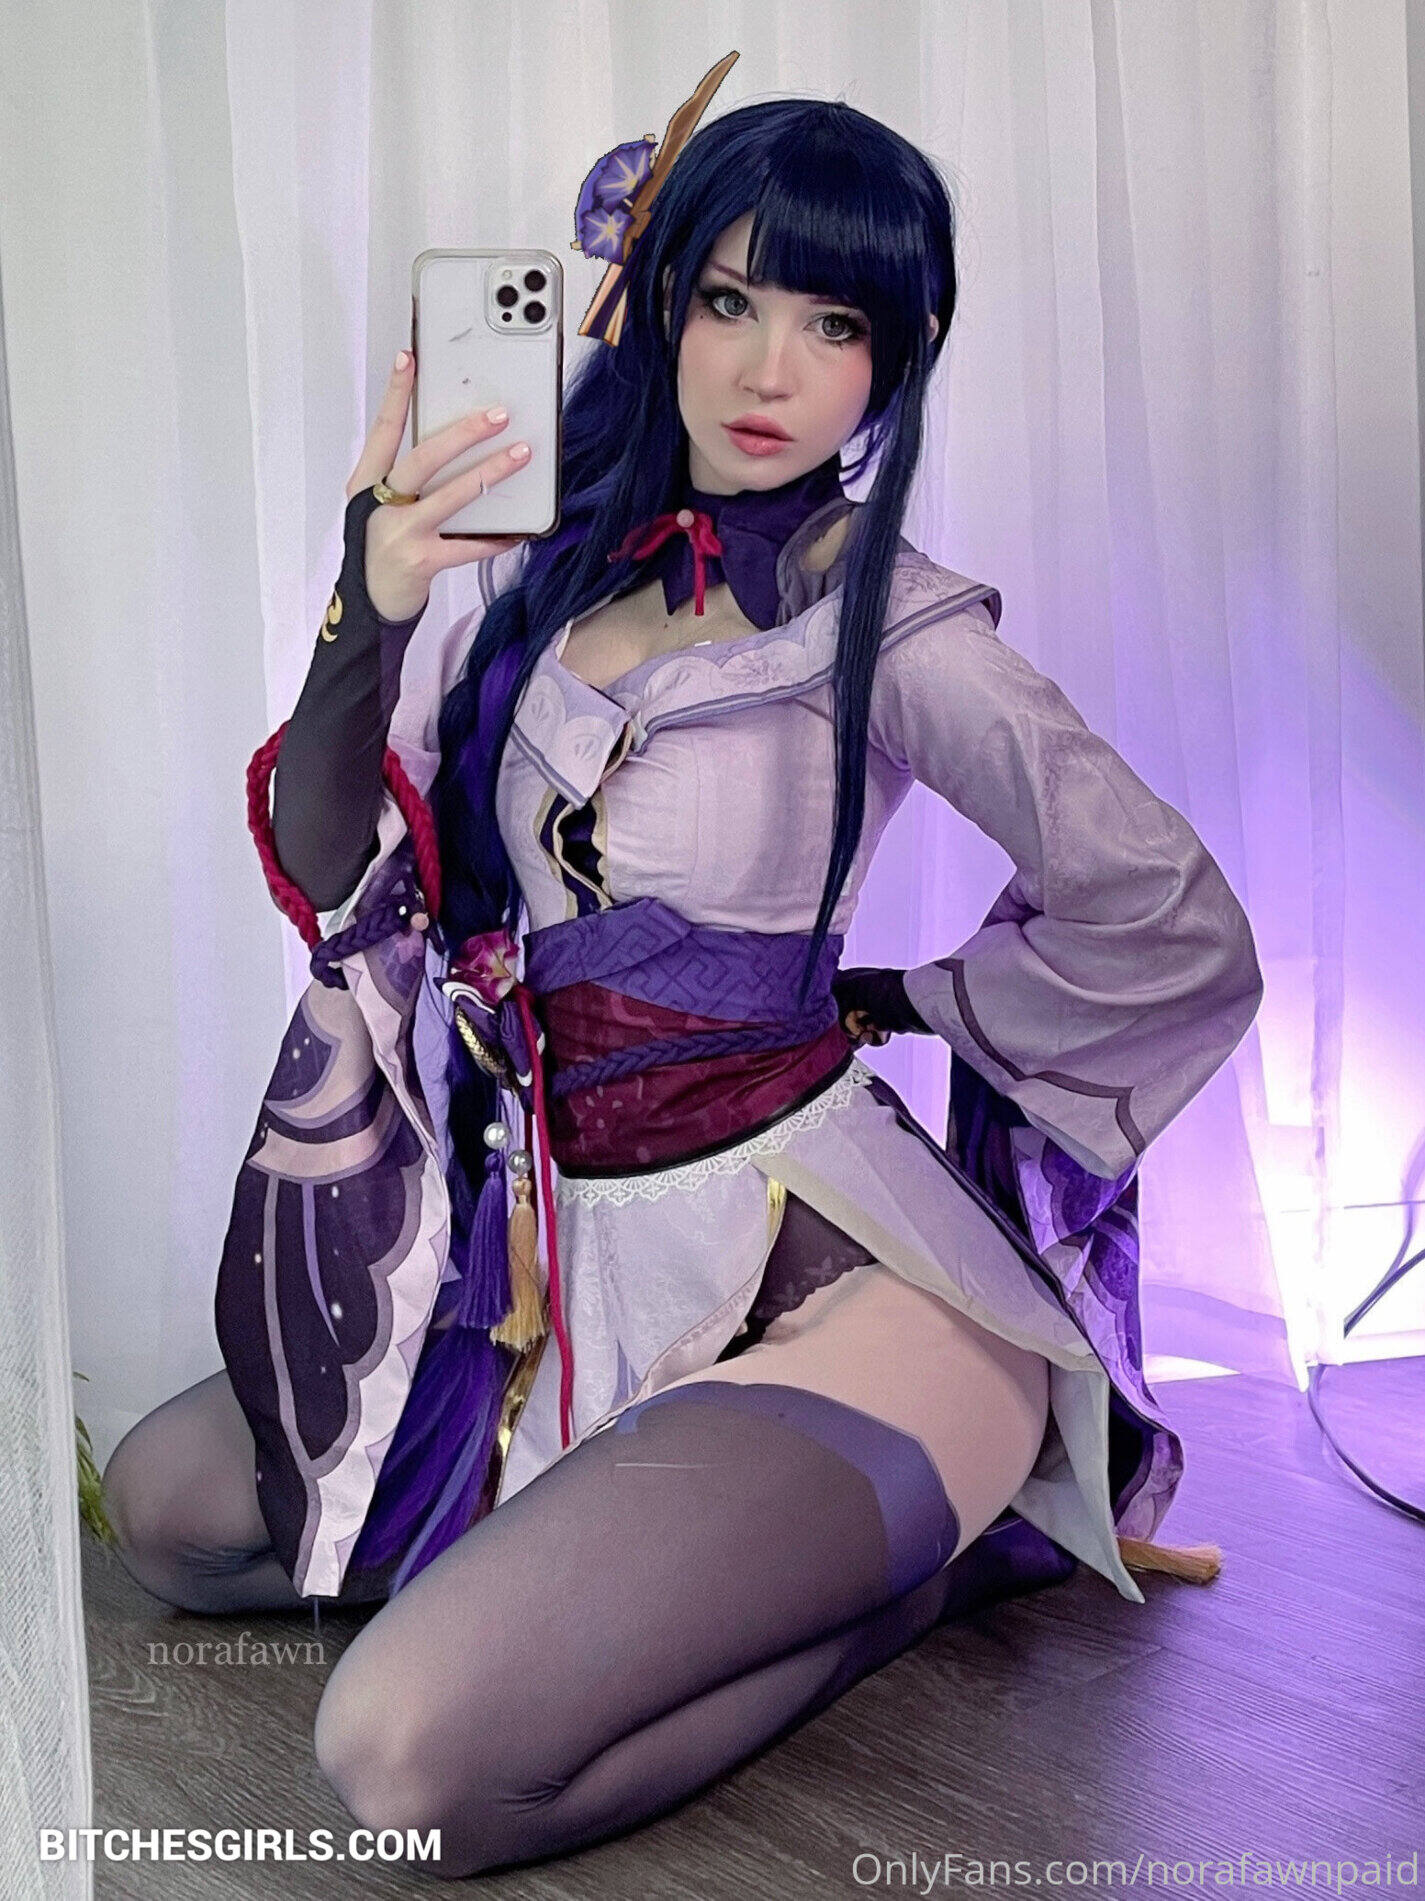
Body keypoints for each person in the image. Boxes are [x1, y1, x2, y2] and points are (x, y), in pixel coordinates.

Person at [100, 96, 1263, 1878]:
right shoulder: (538, 583)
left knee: (406, 1760)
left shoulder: (893, 622)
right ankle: (689, 1552)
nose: (770, 368)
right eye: (727, 300)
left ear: (896, 355)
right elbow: (347, 875)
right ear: (652, 306)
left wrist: (907, 1002)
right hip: (555, 1258)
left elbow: (1169, 920)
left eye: (833, 322)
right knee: (172, 1514)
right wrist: (371, 597)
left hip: (844, 1291)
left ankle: (930, 1566)